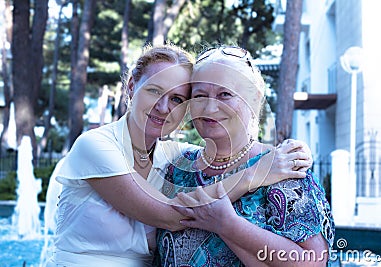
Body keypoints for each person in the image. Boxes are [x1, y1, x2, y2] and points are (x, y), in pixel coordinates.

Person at [45, 44, 313, 267]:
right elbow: (172, 217)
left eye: (176, 99)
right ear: (130, 86)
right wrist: (256, 174)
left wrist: (287, 153)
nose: (163, 107)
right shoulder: (95, 146)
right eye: (153, 91)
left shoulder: (175, 157)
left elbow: (230, 155)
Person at [156, 45, 335, 266]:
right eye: (200, 96)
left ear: (254, 98)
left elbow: (313, 261)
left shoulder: (284, 169)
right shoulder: (178, 168)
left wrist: (229, 225)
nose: (210, 108)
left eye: (225, 94)